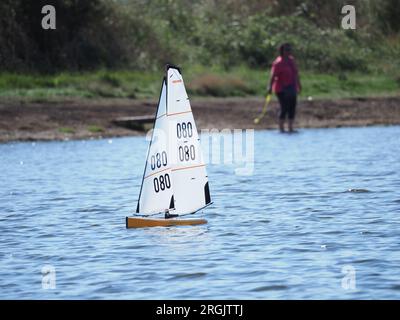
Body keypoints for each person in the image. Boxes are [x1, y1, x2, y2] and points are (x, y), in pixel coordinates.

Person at [267, 43, 301, 133]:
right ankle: (281, 128)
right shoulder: (278, 63)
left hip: (292, 87)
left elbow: (296, 73)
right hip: (281, 89)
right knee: (284, 107)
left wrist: (299, 84)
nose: (289, 52)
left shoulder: (291, 60)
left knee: (292, 107)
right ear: (282, 51)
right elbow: (273, 76)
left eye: (290, 50)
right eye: (287, 50)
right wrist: (270, 87)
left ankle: (290, 128)